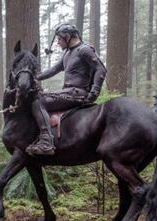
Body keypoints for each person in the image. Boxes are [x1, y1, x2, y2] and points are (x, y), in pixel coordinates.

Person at [25, 23, 107, 156]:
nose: (57, 42)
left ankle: (46, 141)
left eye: (59, 39)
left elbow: (101, 69)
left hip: (77, 92)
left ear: (68, 37)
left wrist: (94, 92)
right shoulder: (68, 53)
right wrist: (34, 77)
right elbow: (54, 70)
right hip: (68, 92)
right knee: (38, 97)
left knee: (37, 101)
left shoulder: (84, 50)